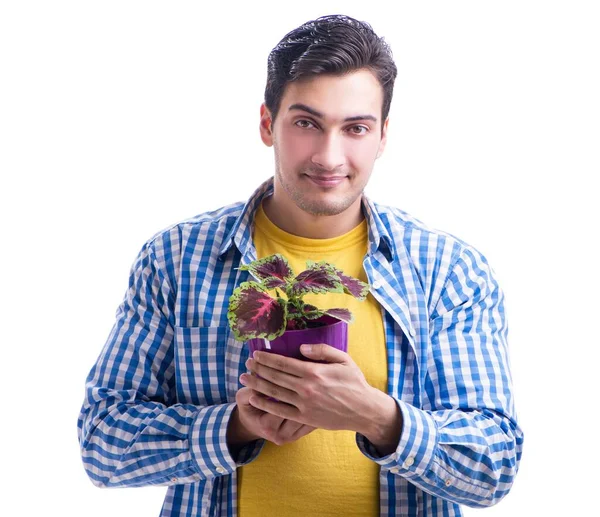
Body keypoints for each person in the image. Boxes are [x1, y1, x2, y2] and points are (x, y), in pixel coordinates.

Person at [78, 14, 523, 517]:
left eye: (355, 128)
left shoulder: (447, 270)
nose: (329, 156)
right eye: (307, 123)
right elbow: (102, 442)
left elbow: (494, 464)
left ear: (382, 136)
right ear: (268, 124)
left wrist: (377, 418)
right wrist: (236, 425)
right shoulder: (177, 259)